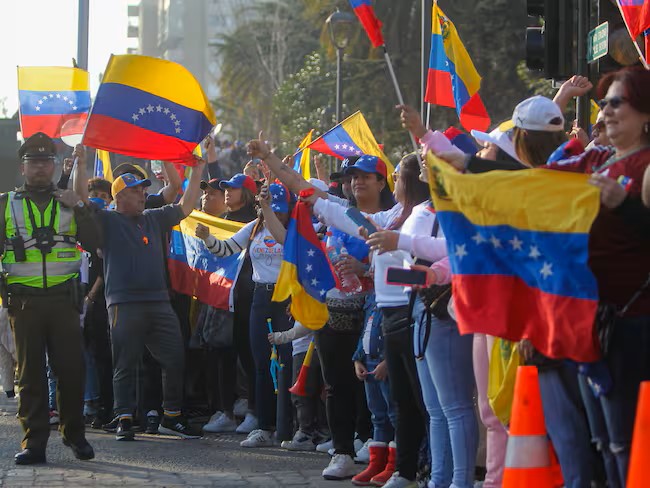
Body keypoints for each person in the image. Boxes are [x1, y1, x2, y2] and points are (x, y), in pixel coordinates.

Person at [0, 133, 99, 464]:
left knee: (71, 371)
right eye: (34, 163)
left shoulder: (69, 200)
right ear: (24, 167)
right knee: (30, 377)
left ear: (55, 165)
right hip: (23, 303)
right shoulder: (5, 203)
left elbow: (97, 241)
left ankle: (74, 434)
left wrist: (81, 206)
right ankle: (34, 443)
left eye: (46, 162)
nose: (40, 168)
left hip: (63, 302)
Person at [97, 159, 205, 441]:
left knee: (175, 358)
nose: (143, 195)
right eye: (136, 191)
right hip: (123, 303)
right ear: (119, 196)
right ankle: (123, 418)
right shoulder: (107, 220)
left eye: (145, 190)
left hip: (159, 302)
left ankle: (171, 416)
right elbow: (82, 203)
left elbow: (187, 204)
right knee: (125, 363)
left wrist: (199, 170)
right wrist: (80, 164)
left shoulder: (154, 217)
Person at [196, 183, 294, 448]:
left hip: (287, 297)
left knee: (286, 364)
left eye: (280, 211)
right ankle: (264, 426)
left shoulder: (293, 228)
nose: (275, 215)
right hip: (260, 297)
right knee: (261, 363)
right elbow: (225, 249)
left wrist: (269, 213)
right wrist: (206, 237)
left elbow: (285, 239)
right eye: (271, 210)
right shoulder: (254, 228)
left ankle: (289, 426)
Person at [200, 172, 259, 435]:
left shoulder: (256, 222)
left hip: (249, 296)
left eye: (233, 189)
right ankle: (224, 411)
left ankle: (255, 411)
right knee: (223, 354)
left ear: (245, 193)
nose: (227, 192)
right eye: (225, 189)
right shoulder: (221, 222)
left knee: (250, 357)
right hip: (224, 297)